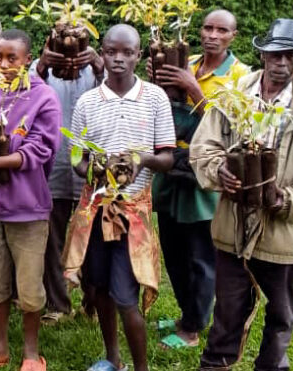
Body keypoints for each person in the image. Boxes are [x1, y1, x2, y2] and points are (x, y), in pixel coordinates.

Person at [191, 18, 293, 371]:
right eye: (275, 54)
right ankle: (215, 364)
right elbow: (204, 145)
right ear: (262, 54)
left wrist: (285, 200)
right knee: (227, 310)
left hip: (283, 235)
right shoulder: (235, 94)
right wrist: (219, 171)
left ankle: (272, 366)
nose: (282, 63)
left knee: (280, 315)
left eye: (292, 56)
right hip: (233, 227)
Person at [70, 24, 175, 371]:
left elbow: (167, 158)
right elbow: (76, 159)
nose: (118, 59)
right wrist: (94, 169)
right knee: (99, 286)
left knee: (126, 296)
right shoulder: (88, 101)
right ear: (102, 52)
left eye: (127, 52)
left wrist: (140, 158)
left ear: (138, 56)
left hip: (132, 214)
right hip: (96, 211)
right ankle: (112, 356)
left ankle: (141, 367)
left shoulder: (155, 98)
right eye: (111, 51)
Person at [0, 29, 62, 371]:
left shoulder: (42, 97)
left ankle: (32, 354)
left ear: (27, 59)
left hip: (29, 210)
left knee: (30, 288)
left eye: (12, 58)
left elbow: (41, 149)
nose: (3, 64)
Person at [148, 9, 250, 349]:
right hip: (171, 167)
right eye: (208, 27)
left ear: (233, 36)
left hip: (203, 175)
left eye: (222, 30)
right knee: (173, 249)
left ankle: (192, 329)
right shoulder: (185, 61)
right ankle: (187, 313)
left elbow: (236, 130)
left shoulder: (241, 77)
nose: (213, 35)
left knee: (200, 254)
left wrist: (194, 90)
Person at [30, 33, 104, 325]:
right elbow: (24, 95)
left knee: (93, 238)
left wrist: (98, 65)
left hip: (93, 169)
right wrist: (42, 67)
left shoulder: (99, 68)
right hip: (54, 166)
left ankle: (93, 300)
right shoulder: (39, 67)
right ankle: (58, 303)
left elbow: (116, 95)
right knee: (52, 238)